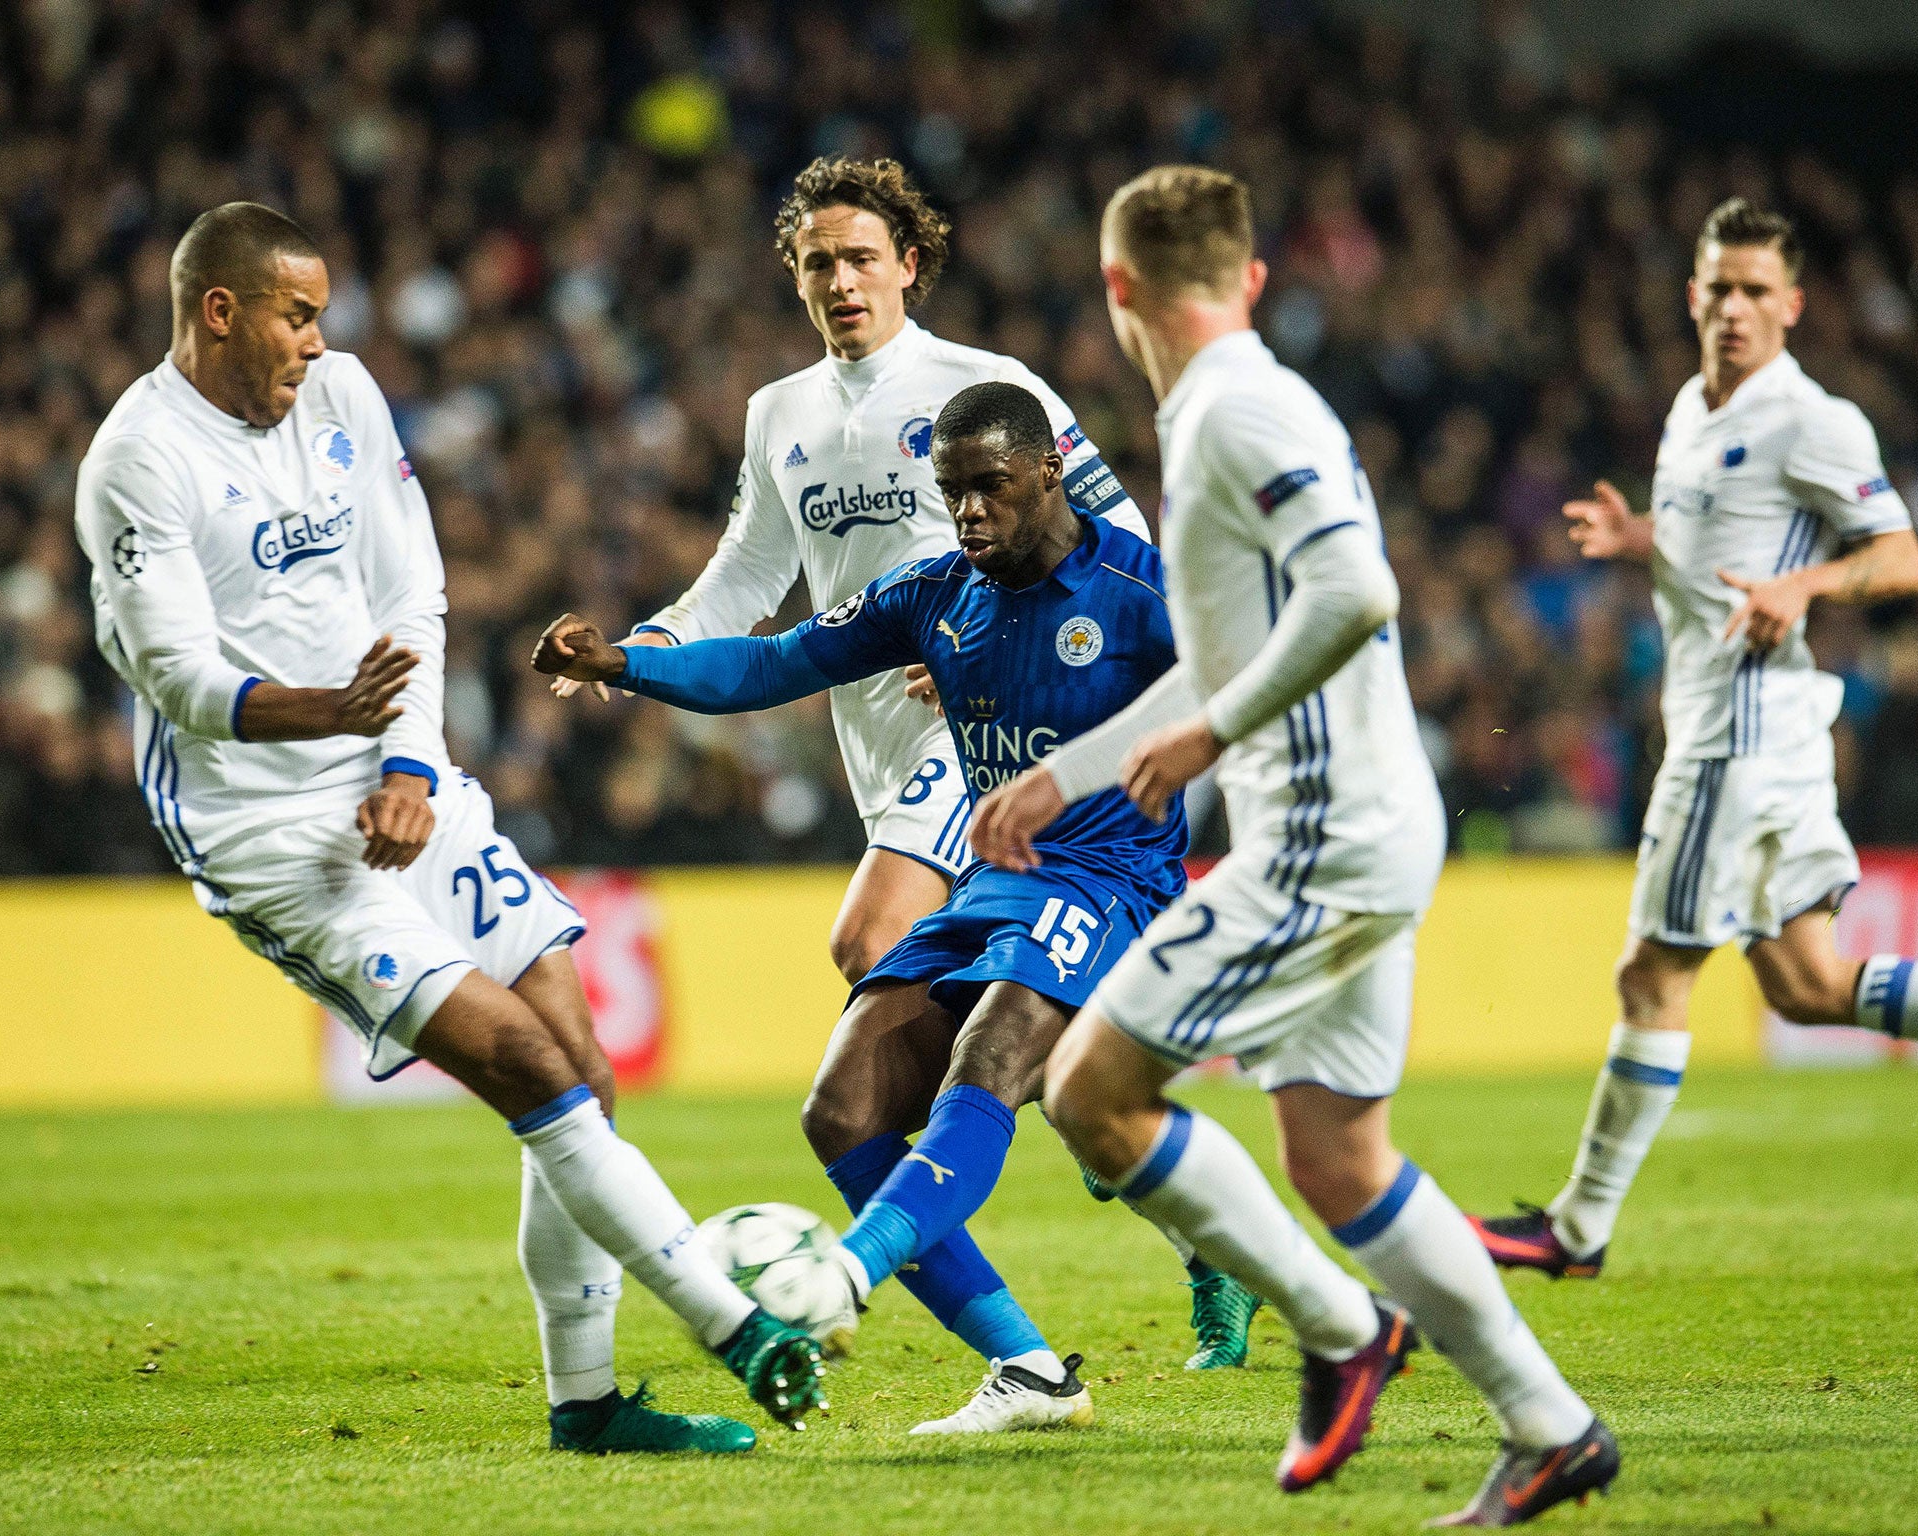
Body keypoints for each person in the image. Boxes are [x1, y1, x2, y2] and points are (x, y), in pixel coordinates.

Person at [75, 201, 829, 1458]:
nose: (318, 342)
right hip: (273, 841)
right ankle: (738, 1327)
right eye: (297, 316)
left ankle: (585, 1408)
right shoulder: (138, 458)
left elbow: (409, 588)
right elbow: (175, 675)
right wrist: (331, 714)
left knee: (580, 1068)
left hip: (401, 782)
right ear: (221, 311)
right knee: (525, 1067)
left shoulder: (346, 398)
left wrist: (409, 762)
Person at [973, 166, 1618, 1524]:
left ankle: (1340, 1329)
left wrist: (1214, 740)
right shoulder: (1250, 401)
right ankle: (1550, 1429)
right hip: (1370, 822)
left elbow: (1353, 591)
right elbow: (1230, 650)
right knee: (1336, 1155)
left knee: (1090, 1089)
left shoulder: (1237, 411)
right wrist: (1067, 773)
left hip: (1320, 838)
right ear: (1254, 277)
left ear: (1116, 289)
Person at [565, 155, 1261, 1373]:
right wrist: (643, 650)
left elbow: (1128, 545)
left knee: (868, 950)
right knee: (1004, 1046)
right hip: (876, 735)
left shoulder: (985, 390)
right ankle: (1146, 1165)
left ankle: (948, 1248)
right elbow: (749, 585)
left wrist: (1019, 635)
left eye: (858, 258)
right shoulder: (779, 413)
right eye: (814, 262)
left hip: (991, 730)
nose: (838, 281)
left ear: (908, 265)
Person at [533, 381, 1184, 1433]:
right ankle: (1027, 1371)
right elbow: (776, 662)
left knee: (986, 1065)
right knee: (839, 1110)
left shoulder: (1141, 589)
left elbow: (1253, 688)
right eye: (952, 492)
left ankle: (847, 1273)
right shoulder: (937, 594)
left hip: (1112, 883)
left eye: (990, 489)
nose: (968, 512)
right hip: (993, 882)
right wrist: (629, 665)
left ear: (1049, 476)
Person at [1471, 199, 1918, 1279]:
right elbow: (1713, 540)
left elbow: (1901, 558)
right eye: (1716, 287)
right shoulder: (1691, 406)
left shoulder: (1811, 419)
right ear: (1691, 294)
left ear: (1790, 305)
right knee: (1806, 986)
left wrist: (1807, 583)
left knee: (1651, 973)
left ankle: (1575, 1229)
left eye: (1753, 291)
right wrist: (1637, 538)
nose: (1732, 308)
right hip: (1754, 724)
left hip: (1736, 730)